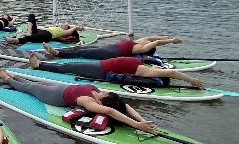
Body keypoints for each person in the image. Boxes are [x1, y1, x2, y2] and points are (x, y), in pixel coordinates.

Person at [0, 67, 158, 134]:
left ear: (105, 100)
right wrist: (143, 120)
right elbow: (126, 106)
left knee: (30, 89)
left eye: (107, 94)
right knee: (34, 84)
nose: (106, 91)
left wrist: (137, 126)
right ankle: (14, 77)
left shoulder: (92, 103)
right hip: (59, 88)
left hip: (55, 97)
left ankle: (7, 80)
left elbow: (111, 111)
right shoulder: (99, 93)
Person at [26, 53, 205, 89]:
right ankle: (41, 64)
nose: (158, 68)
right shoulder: (149, 67)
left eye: (159, 71)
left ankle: (39, 65)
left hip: (101, 70)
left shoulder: (145, 72)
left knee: (68, 68)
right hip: (103, 64)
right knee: (70, 66)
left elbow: (172, 74)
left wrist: (192, 81)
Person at [42, 36, 182, 60]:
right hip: (110, 47)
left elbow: (156, 42)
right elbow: (155, 38)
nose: (149, 41)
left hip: (111, 52)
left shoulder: (142, 49)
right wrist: (169, 38)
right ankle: (58, 52)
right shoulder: (141, 42)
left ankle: (58, 53)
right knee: (81, 49)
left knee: (83, 52)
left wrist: (171, 41)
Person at [4, 14, 84, 45]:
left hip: (46, 35)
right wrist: (55, 25)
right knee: (31, 15)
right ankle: (29, 30)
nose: (62, 24)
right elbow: (45, 26)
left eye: (64, 25)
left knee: (30, 38)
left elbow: (71, 30)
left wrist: (76, 27)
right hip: (40, 31)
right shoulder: (56, 27)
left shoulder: (63, 32)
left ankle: (14, 40)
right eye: (62, 23)